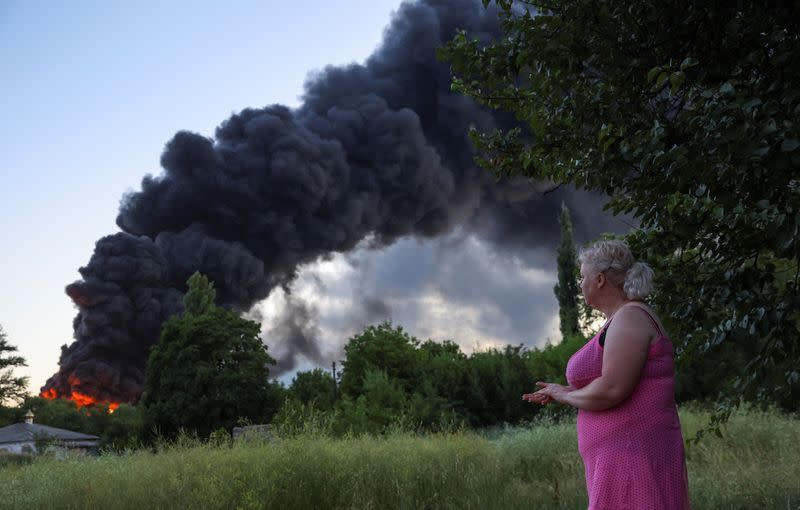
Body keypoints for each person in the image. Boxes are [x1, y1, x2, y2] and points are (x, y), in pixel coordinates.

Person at [522, 240, 691, 509]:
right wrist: (563, 391)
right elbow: (608, 383)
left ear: (600, 279)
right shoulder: (621, 319)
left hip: (632, 459)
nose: (579, 284)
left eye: (582, 277)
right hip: (621, 460)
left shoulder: (630, 318)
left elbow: (612, 389)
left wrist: (564, 396)